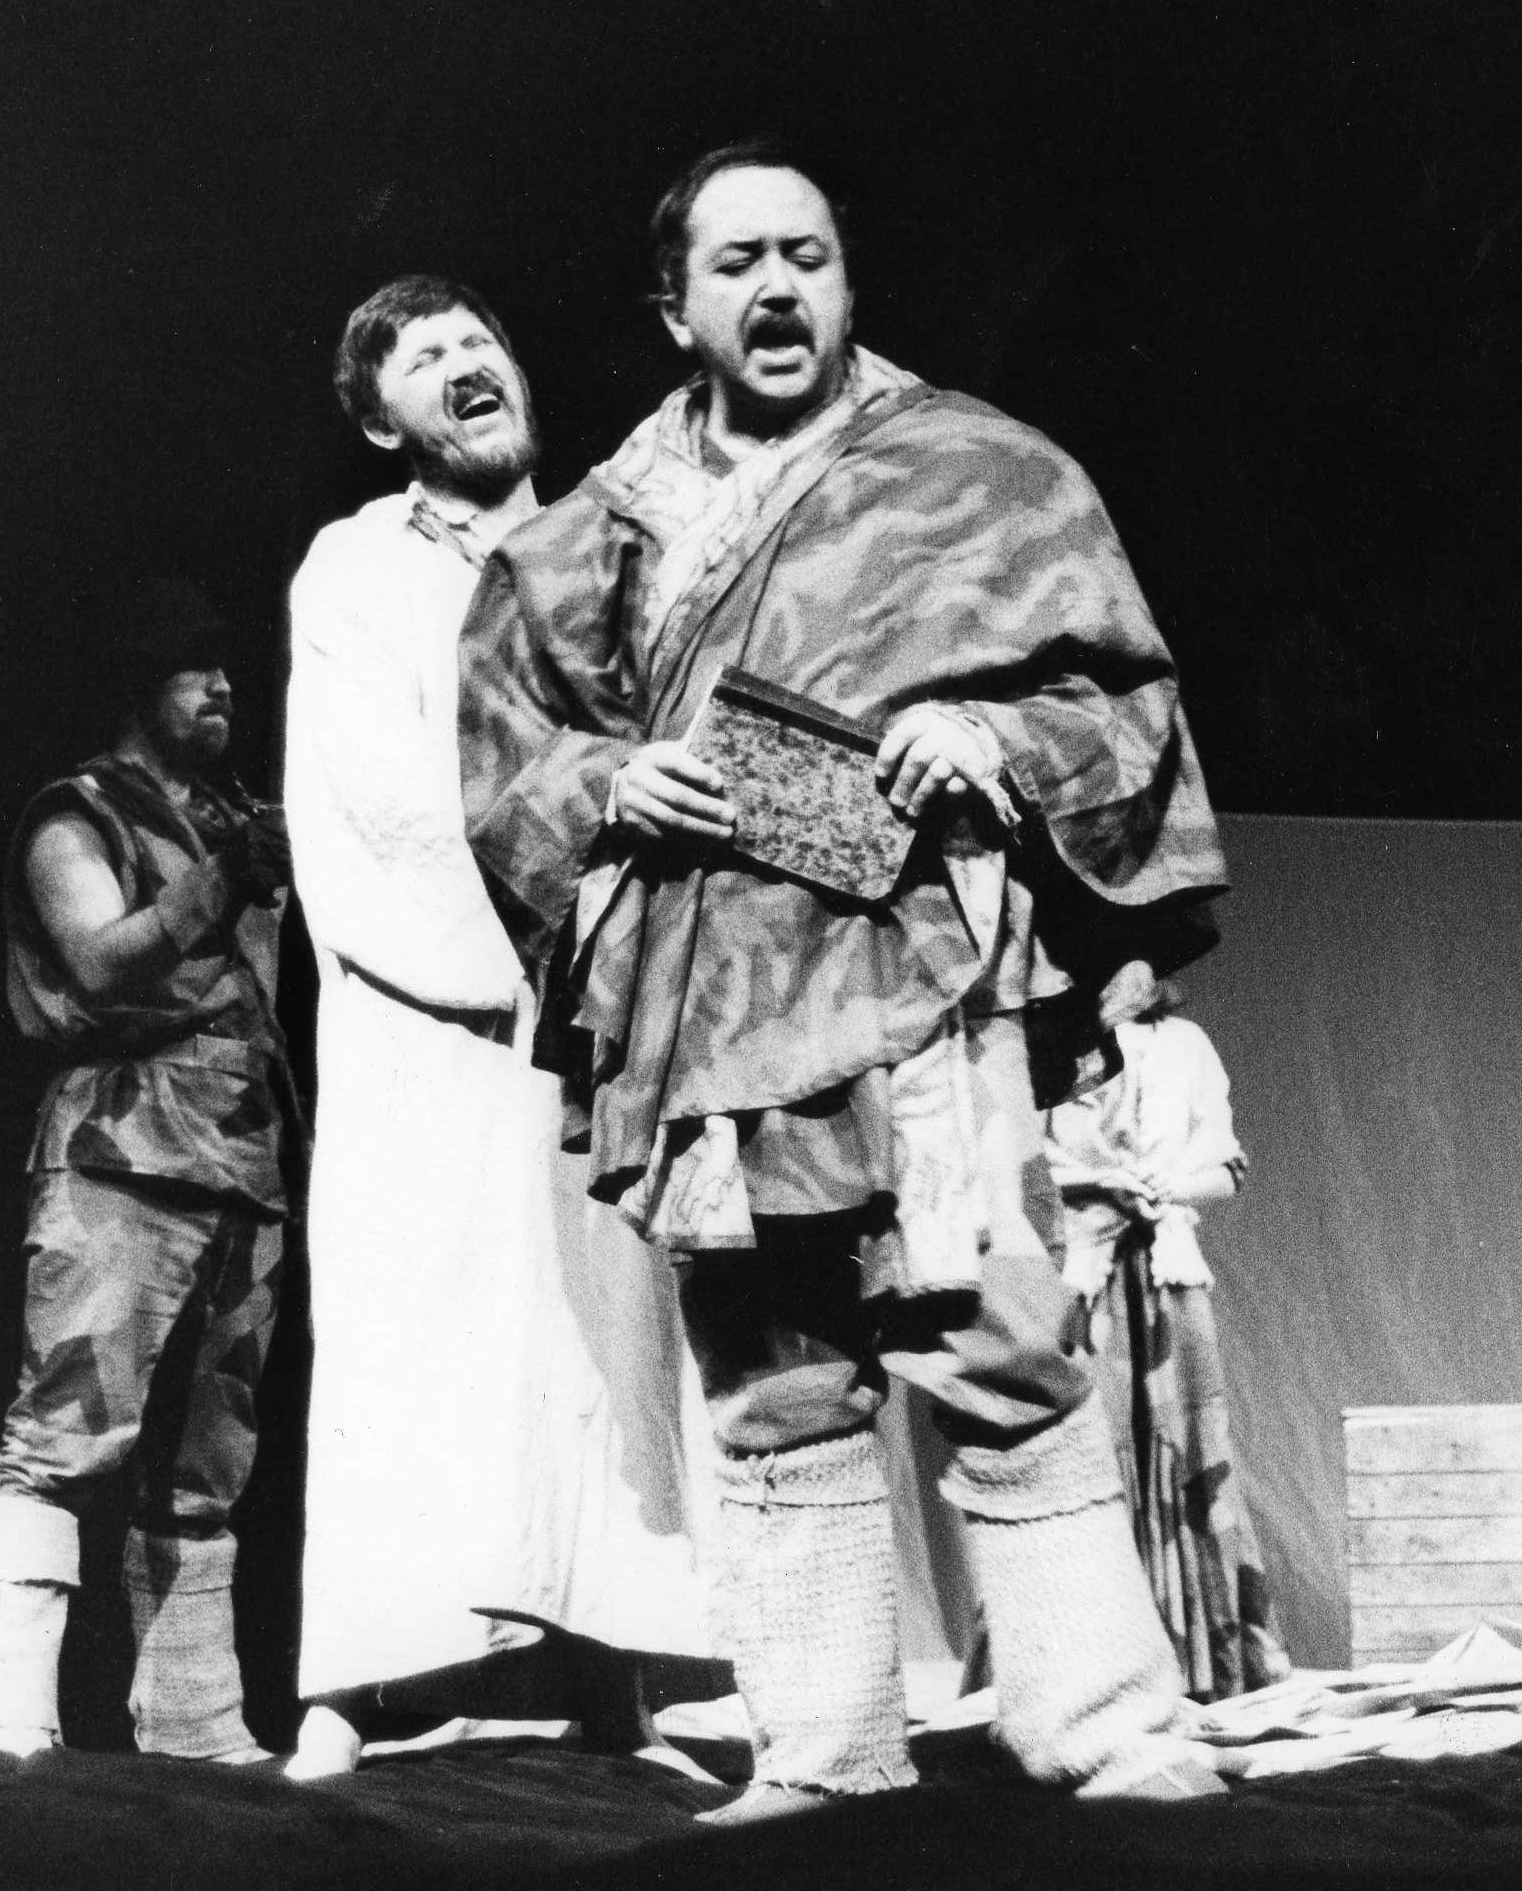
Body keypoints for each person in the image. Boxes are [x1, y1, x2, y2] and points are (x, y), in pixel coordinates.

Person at [459, 138, 1229, 1819]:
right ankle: (824, 1752)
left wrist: (995, 734)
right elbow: (515, 753)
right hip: (712, 1006)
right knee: (771, 1372)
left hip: (919, 986)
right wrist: (614, 780)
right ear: (675, 309)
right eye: (736, 261)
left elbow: (1123, 712)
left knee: (995, 1336)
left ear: (848, 279)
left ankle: (1104, 1722)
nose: (776, 287)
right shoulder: (596, 531)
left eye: (804, 254)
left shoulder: (981, 472)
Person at [282, 276, 724, 1783]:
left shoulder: (602, 544)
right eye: (423, 356)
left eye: (478, 340)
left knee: (594, 1333)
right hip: (436, 1010)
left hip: (589, 993)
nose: (465, 361)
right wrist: (526, 921)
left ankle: (616, 1674)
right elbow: (369, 790)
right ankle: (348, 1690)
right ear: (379, 421)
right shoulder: (356, 565)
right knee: (415, 1335)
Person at [0, 580, 297, 1762]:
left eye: (226, 665)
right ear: (139, 684)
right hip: (123, 1152)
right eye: (192, 666)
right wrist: (220, 879)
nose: (222, 685)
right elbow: (95, 960)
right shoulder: (77, 812)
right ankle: (4, 1710)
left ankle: (196, 1721)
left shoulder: (242, 817)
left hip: (243, 1159)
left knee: (207, 1465)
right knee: (63, 1431)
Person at [1041, 962, 1292, 1700]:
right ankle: (1085, 1678)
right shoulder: (1043, 1045)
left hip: (1165, 1272)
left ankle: (1199, 1667)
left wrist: (1166, 1185)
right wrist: (1096, 1184)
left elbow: (1227, 1166)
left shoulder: (1184, 1043)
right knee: (1085, 1459)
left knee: (1186, 1457)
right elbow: (1015, 1167)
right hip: (1081, 1281)